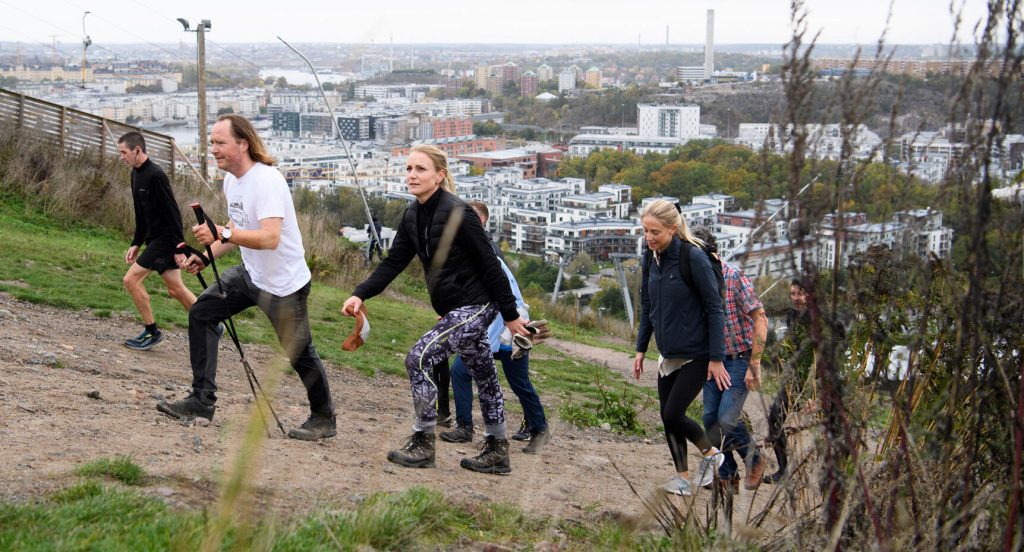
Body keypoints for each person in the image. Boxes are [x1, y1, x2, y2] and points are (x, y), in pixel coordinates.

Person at [342, 144, 528, 474]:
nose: (412, 175)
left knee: (419, 357)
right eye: (409, 169)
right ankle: (498, 451)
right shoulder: (413, 214)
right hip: (453, 309)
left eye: (420, 169)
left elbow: (491, 266)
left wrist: (511, 317)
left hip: (476, 305)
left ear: (440, 176)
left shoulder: (460, 213)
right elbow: (394, 262)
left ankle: (423, 442)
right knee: (484, 374)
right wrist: (360, 294)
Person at [156, 114, 336, 442]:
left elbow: (269, 238)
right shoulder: (232, 181)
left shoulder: (267, 180)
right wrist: (205, 255)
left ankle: (324, 418)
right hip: (250, 275)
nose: (214, 149)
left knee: (298, 351)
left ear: (243, 144)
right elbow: (235, 229)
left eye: (220, 143)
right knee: (202, 313)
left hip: (284, 284)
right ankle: (201, 402)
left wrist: (221, 231)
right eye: (212, 143)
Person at [440, 201, 551, 454]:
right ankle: (465, 426)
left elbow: (508, 295)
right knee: (460, 370)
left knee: (519, 383)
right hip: (487, 329)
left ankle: (540, 429)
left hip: (508, 330)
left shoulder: (488, 255)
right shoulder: (469, 253)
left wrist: (516, 326)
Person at [634, 199, 728, 496]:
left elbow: (715, 308)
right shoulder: (651, 257)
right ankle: (684, 479)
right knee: (667, 416)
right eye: (645, 231)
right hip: (668, 352)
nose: (649, 238)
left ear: (673, 229)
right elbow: (648, 305)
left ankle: (712, 455)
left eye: (655, 232)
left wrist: (716, 357)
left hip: (697, 353)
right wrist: (640, 349)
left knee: (674, 413)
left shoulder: (693, 258)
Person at [692, 227, 768, 494]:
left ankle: (755, 458)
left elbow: (761, 319)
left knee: (726, 417)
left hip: (739, 357)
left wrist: (755, 363)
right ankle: (727, 474)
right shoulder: (695, 284)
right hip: (712, 359)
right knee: (710, 417)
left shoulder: (734, 278)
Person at [117, 131, 196, 351]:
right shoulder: (135, 174)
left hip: (165, 241)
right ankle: (212, 324)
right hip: (153, 240)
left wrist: (180, 248)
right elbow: (140, 213)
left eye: (124, 152)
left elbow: (173, 214)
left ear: (138, 150)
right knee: (176, 289)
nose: (121, 157)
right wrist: (136, 242)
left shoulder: (156, 175)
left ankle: (152, 332)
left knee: (130, 280)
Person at [763, 278, 813, 483]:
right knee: (774, 418)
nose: (796, 298)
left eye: (800, 293)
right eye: (793, 293)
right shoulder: (793, 315)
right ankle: (783, 470)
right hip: (795, 378)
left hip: (816, 380)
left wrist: (813, 394)